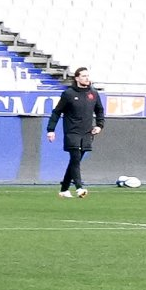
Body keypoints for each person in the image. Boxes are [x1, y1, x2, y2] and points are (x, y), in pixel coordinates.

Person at [44, 66, 103, 198]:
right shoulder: (69, 94)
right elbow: (57, 112)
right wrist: (51, 130)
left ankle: (64, 189)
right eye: (83, 76)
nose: (86, 78)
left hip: (87, 132)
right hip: (72, 132)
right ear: (77, 78)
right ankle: (79, 188)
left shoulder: (93, 94)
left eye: (88, 76)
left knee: (75, 161)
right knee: (75, 159)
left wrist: (99, 125)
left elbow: (99, 110)